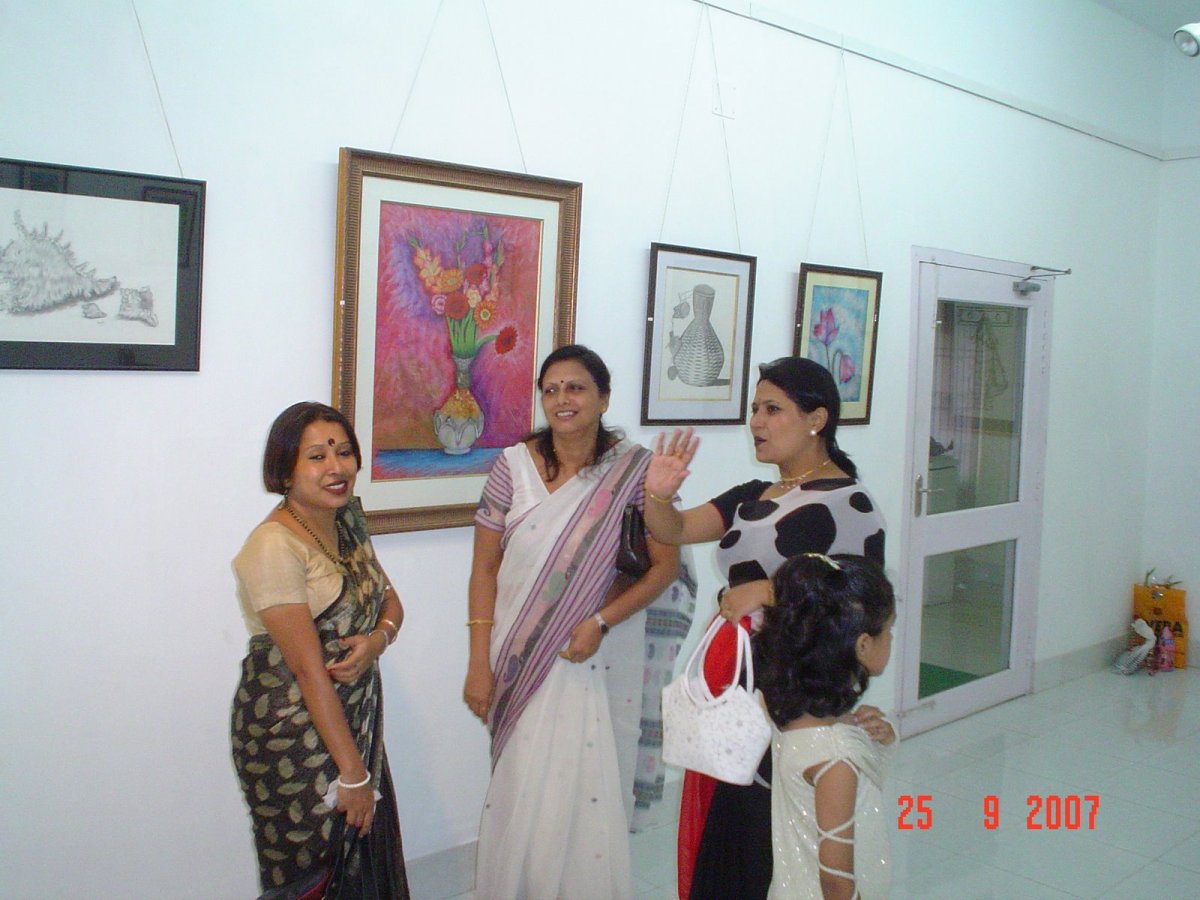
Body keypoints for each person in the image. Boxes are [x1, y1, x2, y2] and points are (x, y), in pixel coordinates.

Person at [642, 356, 887, 900]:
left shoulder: (850, 501)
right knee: (727, 829)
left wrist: (772, 591)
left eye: (773, 409)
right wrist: (657, 494)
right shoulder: (755, 494)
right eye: (755, 408)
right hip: (735, 682)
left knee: (767, 835)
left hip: (792, 689)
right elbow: (674, 529)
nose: (756, 421)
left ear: (817, 419)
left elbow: (864, 601)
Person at [464, 344, 682, 899]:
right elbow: (484, 569)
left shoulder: (635, 471)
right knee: (519, 780)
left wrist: (602, 621)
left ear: (603, 398)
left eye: (576, 387)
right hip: (516, 653)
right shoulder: (512, 467)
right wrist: (478, 663)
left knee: (582, 783)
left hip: (591, 655)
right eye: (551, 389)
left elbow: (665, 566)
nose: (562, 399)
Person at [230, 402, 409, 898]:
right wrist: (352, 774)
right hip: (292, 735)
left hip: (349, 723)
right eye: (316, 457)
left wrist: (377, 640)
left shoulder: (344, 520)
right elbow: (309, 671)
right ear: (285, 470)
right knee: (314, 871)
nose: (336, 467)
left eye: (344, 453)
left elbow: (390, 600)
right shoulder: (273, 546)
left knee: (366, 862)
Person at [757, 553, 897, 899]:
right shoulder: (836, 760)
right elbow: (836, 880)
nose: (891, 638)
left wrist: (874, 733)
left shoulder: (786, 713)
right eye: (889, 630)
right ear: (863, 645)